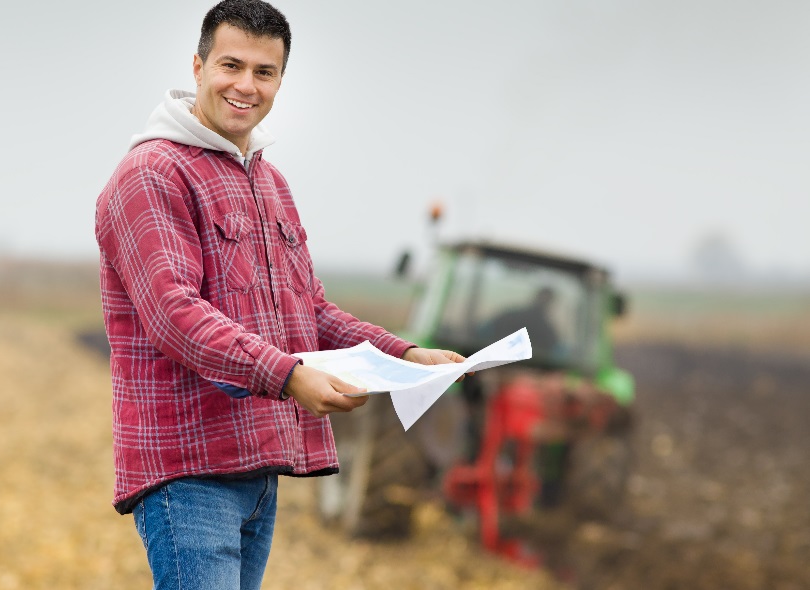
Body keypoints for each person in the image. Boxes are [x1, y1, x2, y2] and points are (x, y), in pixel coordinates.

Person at [94, 1, 464, 588]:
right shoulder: (152, 174)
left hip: (256, 467)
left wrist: (406, 354)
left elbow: (310, 312)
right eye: (230, 65)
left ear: (280, 82)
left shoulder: (269, 183)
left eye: (264, 73)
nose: (246, 85)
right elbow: (174, 314)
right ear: (197, 67)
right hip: (188, 469)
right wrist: (289, 376)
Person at [486, 286, 560, 358]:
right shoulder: (509, 317)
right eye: (542, 299)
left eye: (546, 300)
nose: (543, 302)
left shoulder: (547, 331)